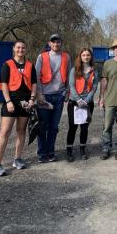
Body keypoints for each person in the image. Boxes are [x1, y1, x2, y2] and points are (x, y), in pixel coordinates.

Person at [0, 40, 37, 177]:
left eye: (23, 48)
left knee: (21, 130)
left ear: (26, 49)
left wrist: (32, 99)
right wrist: (8, 101)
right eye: (18, 47)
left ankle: (17, 159)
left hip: (25, 103)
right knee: (5, 132)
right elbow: (4, 84)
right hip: (11, 102)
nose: (20, 50)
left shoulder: (30, 65)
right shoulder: (7, 65)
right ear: (13, 49)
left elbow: (34, 84)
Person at [35, 34, 72, 163]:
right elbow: (36, 76)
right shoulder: (42, 57)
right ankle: (41, 153)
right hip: (45, 96)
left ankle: (51, 151)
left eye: (58, 42)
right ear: (49, 43)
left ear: (61, 43)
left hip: (59, 96)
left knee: (54, 127)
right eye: (53, 42)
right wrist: (39, 95)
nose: (56, 44)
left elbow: (69, 76)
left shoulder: (66, 57)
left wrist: (67, 92)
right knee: (42, 126)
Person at [66, 48, 98, 161]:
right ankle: (69, 150)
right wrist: (78, 100)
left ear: (91, 57)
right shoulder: (74, 70)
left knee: (84, 127)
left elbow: (94, 87)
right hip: (74, 102)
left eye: (88, 55)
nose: (86, 57)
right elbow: (71, 85)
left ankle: (82, 149)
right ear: (80, 56)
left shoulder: (94, 70)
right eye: (84, 55)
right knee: (73, 127)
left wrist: (87, 100)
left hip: (88, 103)